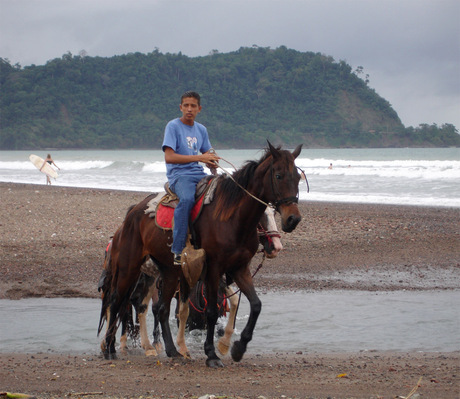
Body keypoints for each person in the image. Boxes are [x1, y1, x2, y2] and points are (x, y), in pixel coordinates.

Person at [162, 91, 220, 266]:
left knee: (224, 194)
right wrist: (200, 158)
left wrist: (212, 161)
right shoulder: (173, 126)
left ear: (199, 109)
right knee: (187, 199)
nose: (189, 109)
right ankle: (178, 249)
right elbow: (169, 157)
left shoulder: (201, 129)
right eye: (186, 105)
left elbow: (207, 152)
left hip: (199, 174)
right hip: (179, 175)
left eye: (193, 106)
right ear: (180, 107)